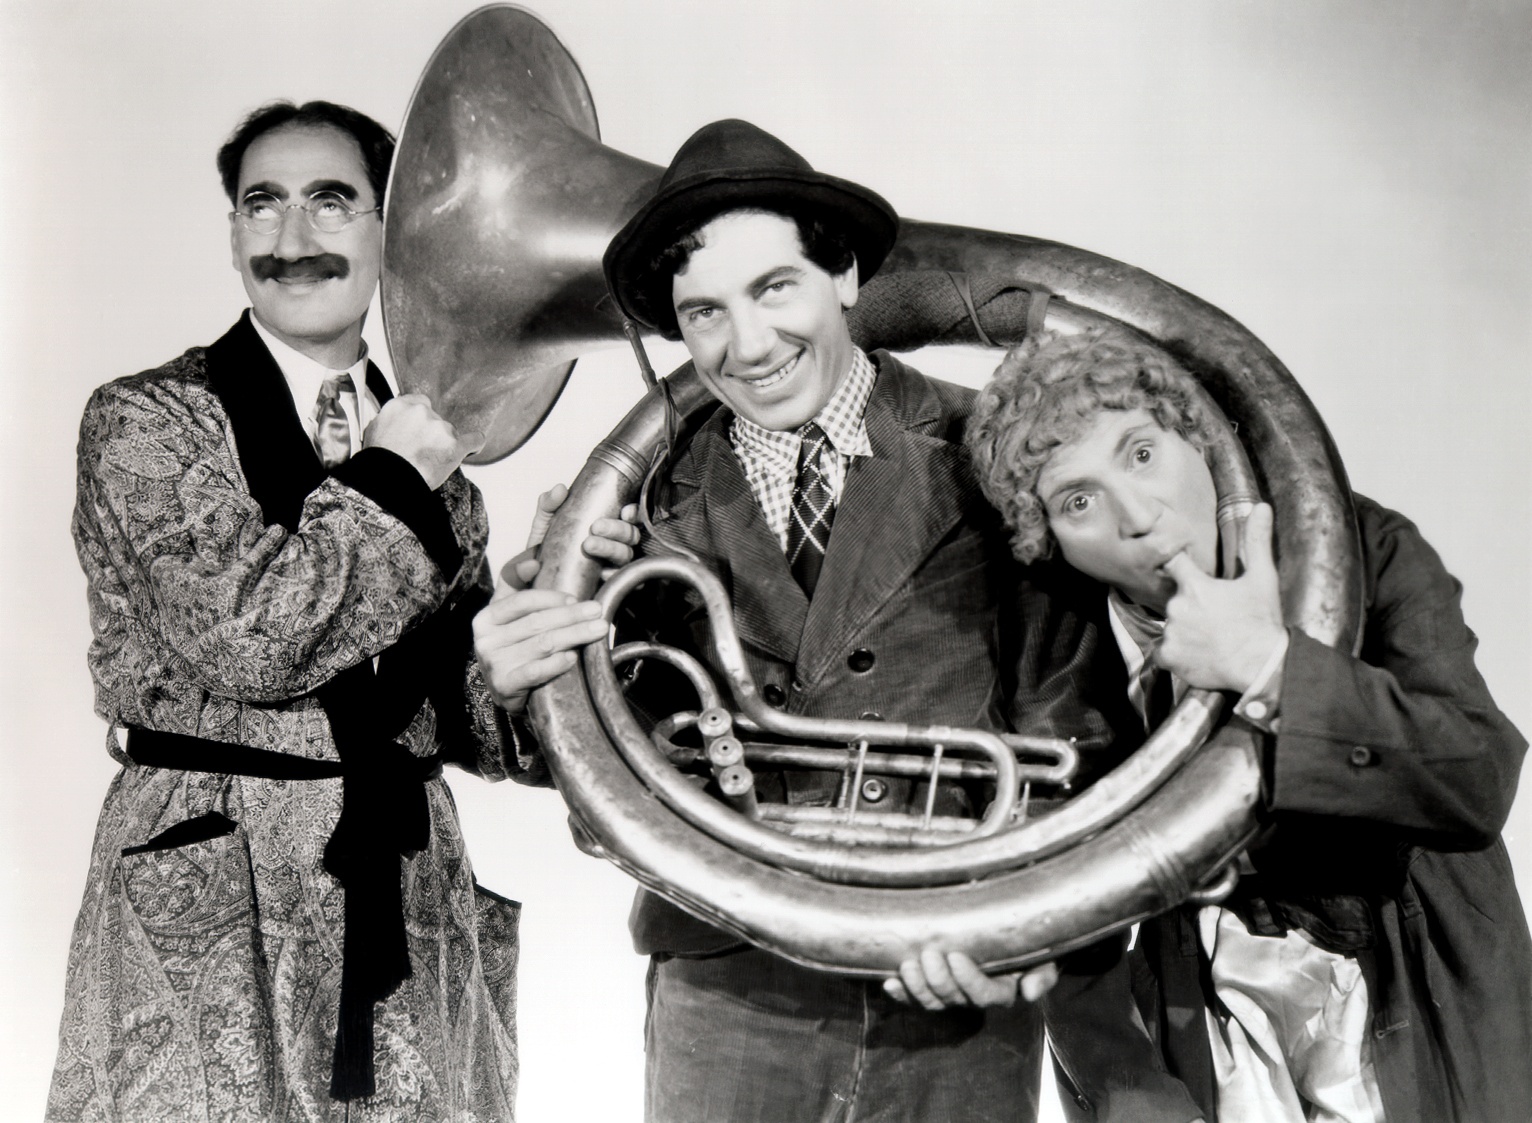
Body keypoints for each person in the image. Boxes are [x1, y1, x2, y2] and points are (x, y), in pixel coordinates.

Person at [474, 119, 1201, 1123]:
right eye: (704, 312)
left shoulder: (992, 448)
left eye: (775, 288)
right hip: (729, 986)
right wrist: (535, 670)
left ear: (846, 274)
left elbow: (1071, 724)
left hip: (952, 972)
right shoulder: (640, 503)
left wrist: (1019, 928)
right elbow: (612, 762)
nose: (747, 345)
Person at [48, 101, 528, 1121]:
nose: (293, 238)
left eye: (331, 202)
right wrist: (394, 477)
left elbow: (464, 720)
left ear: (392, 235)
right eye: (262, 204)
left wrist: (532, 640)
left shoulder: (437, 457)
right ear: (232, 235)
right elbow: (250, 638)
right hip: (211, 877)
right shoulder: (145, 420)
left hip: (401, 883)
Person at [966, 327, 1532, 1123]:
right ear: (1047, 539)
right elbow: (1061, 907)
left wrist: (1271, 665)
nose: (1139, 516)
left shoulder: (1364, 549)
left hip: (1414, 993)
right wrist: (1126, 1086)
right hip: (1211, 1017)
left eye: (1141, 453)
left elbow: (1475, 776)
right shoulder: (1059, 646)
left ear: (1199, 439)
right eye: (1079, 501)